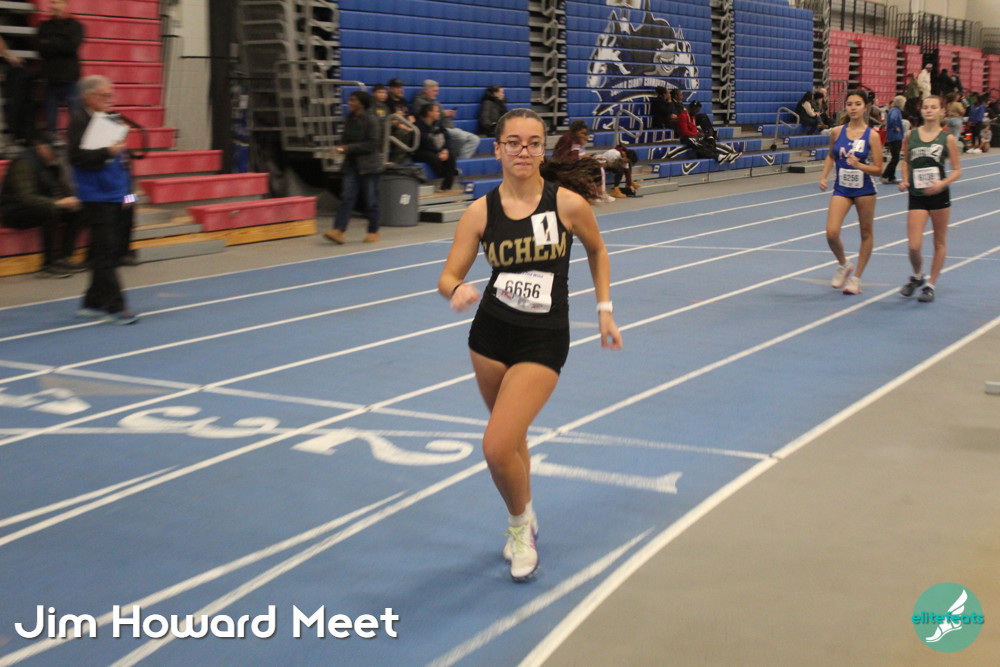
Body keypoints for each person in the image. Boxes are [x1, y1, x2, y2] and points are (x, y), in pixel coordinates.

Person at [436, 108, 622, 582]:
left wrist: (604, 309)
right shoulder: (481, 212)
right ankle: (525, 511)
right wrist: (456, 289)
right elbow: (448, 275)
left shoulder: (567, 205)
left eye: (533, 142)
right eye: (514, 142)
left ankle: (520, 526)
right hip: (489, 336)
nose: (524, 150)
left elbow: (597, 250)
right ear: (498, 149)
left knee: (496, 445)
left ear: (543, 150)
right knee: (512, 437)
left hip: (543, 337)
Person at [68, 75, 138, 324]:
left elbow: (123, 161)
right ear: (88, 97)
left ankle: (93, 301)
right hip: (96, 197)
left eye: (111, 95)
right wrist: (107, 151)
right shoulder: (79, 122)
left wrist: (129, 195)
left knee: (109, 250)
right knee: (106, 252)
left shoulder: (110, 119)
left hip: (118, 194)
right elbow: (77, 158)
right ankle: (116, 307)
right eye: (104, 95)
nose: (110, 99)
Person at [818, 90, 884, 296]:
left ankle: (856, 278)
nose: (853, 108)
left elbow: (879, 169)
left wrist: (860, 166)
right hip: (842, 187)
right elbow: (831, 155)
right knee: (831, 232)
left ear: (865, 107)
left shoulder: (872, 135)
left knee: (866, 232)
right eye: (849, 104)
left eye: (857, 104)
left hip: (865, 189)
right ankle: (844, 264)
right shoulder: (837, 132)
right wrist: (824, 176)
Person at [897, 95, 962, 303]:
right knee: (914, 246)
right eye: (926, 107)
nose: (929, 110)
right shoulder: (911, 135)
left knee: (939, 241)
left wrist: (942, 183)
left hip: (939, 195)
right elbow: (906, 161)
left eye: (934, 107)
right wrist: (905, 179)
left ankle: (930, 285)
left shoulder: (947, 138)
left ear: (942, 111)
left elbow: (957, 170)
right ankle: (918, 276)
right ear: (921, 110)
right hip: (917, 194)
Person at [0, 134, 84, 276]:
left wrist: (69, 200)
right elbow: (26, 197)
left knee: (76, 211)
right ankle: (48, 264)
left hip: (39, 206)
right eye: (53, 152)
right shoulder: (24, 163)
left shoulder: (51, 163)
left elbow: (59, 187)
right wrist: (57, 203)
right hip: (14, 211)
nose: (56, 156)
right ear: (42, 148)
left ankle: (64, 257)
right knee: (50, 211)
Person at [324, 91, 382, 245]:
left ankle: (373, 231)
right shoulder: (349, 119)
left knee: (370, 199)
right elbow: (345, 139)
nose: (349, 102)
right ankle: (338, 230)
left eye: (353, 100)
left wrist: (348, 148)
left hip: (369, 166)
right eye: (350, 100)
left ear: (361, 104)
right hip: (352, 164)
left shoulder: (371, 120)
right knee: (347, 197)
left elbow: (372, 144)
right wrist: (341, 148)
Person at [37, 0, 85, 134]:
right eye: (52, 3)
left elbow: (72, 47)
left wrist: (51, 42)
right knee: (51, 122)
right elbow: (41, 49)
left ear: (65, 5)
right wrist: (63, 42)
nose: (54, 6)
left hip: (70, 79)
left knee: (76, 120)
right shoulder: (44, 26)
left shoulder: (76, 26)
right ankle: (53, 142)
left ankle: (76, 142)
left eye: (57, 2)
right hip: (51, 79)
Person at [412, 79, 480, 159]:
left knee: (470, 139)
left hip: (445, 127)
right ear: (426, 90)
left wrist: (444, 113)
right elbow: (427, 117)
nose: (436, 93)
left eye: (437, 91)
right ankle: (460, 161)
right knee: (467, 138)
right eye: (434, 91)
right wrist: (443, 113)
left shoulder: (434, 102)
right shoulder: (420, 102)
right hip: (440, 129)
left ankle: (459, 160)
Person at [413, 101, 456, 191]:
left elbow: (447, 136)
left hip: (438, 149)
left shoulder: (438, 124)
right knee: (432, 157)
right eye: (436, 111)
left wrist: (445, 149)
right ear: (429, 113)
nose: (439, 113)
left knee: (451, 155)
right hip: (421, 150)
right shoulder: (419, 125)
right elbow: (425, 142)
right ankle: (448, 173)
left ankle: (447, 186)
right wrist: (438, 152)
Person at [881, 96, 905, 184]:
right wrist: (896, 127)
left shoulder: (893, 110)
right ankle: (885, 175)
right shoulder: (895, 111)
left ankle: (891, 177)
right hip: (895, 137)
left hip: (893, 137)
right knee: (895, 158)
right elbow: (893, 119)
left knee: (895, 158)